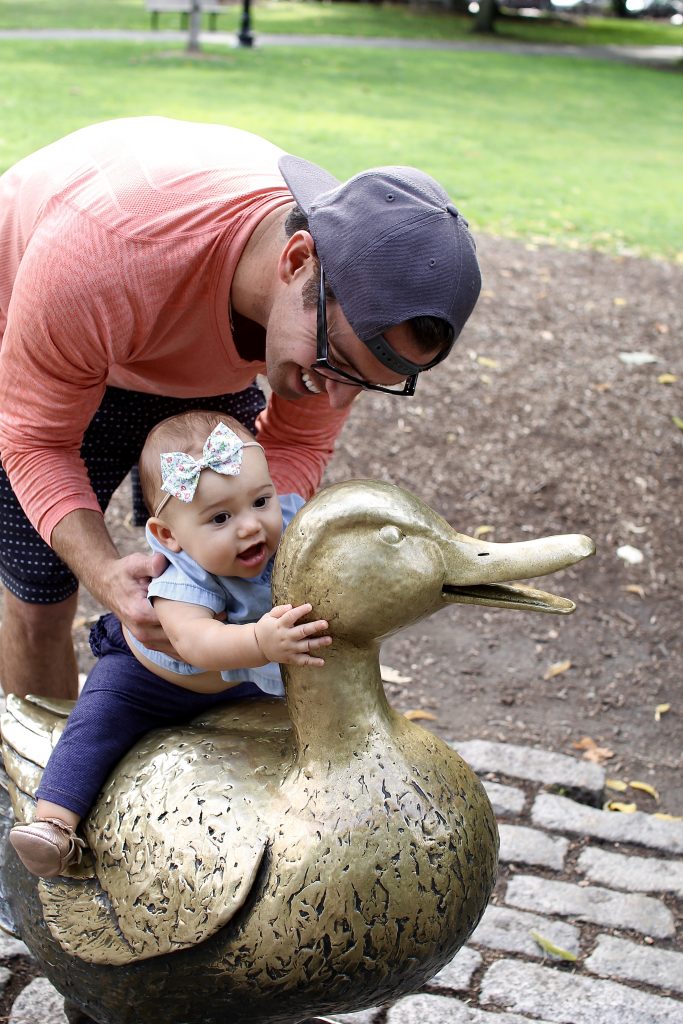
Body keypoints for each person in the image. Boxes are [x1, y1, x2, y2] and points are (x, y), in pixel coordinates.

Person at [0, 116, 482, 701]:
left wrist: (251, 559)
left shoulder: (349, 282)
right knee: (41, 592)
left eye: (370, 384)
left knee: (242, 588)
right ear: (297, 259)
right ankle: (37, 778)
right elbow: (35, 442)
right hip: (54, 306)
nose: (334, 398)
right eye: (339, 363)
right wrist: (104, 574)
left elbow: (297, 444)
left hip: (186, 327)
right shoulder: (101, 262)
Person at [8, 410, 331, 877]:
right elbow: (197, 642)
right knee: (96, 724)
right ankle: (54, 823)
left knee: (299, 725)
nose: (249, 526)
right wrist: (262, 639)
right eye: (220, 517)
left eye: (260, 501)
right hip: (149, 680)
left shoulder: (284, 521)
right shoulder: (178, 575)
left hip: (242, 681)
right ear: (167, 536)